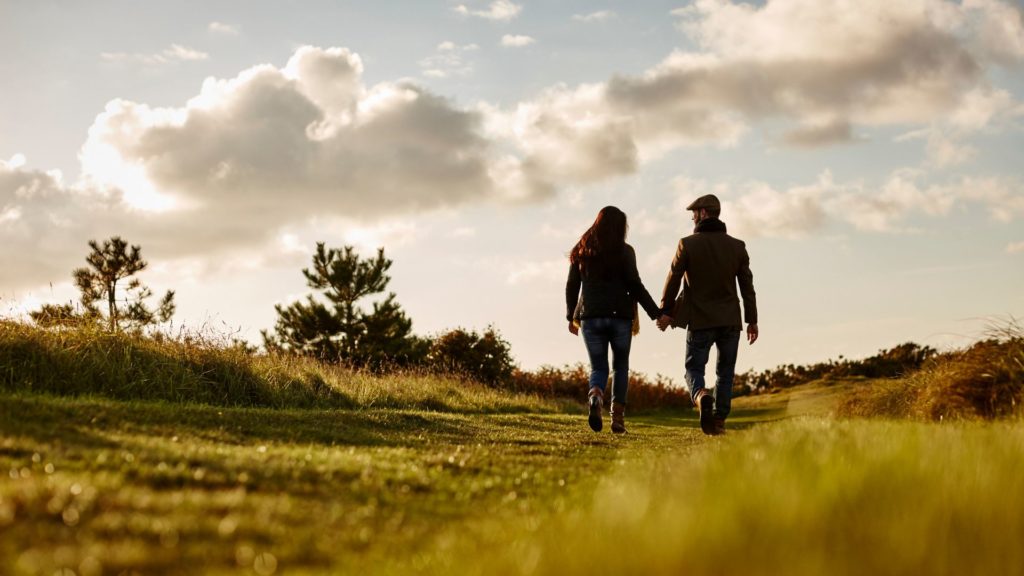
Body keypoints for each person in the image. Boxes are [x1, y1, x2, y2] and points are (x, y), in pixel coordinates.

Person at [656, 194, 758, 435]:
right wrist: (752, 320)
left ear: (703, 213)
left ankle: (701, 395)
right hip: (730, 321)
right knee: (725, 372)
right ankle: (719, 422)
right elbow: (747, 288)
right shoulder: (737, 246)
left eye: (694, 212)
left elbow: (673, 279)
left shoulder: (687, 244)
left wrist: (666, 311)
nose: (692, 216)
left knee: (693, 370)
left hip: (700, 320)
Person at [566, 206, 661, 434]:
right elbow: (635, 285)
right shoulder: (625, 251)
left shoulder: (581, 250)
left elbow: (572, 286)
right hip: (620, 317)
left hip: (590, 317)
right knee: (620, 367)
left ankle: (596, 394)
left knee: (598, 367)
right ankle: (617, 419)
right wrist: (656, 313)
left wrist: (571, 316)